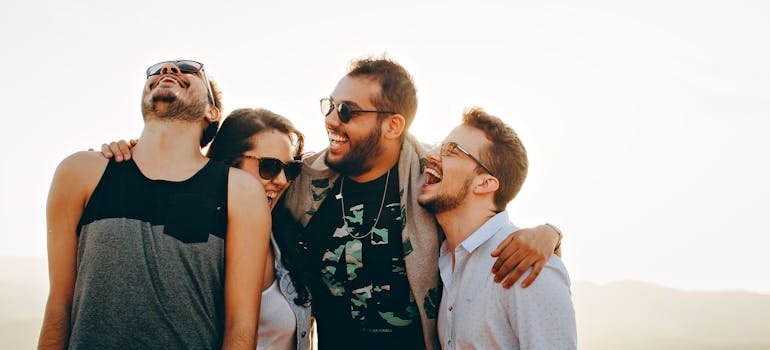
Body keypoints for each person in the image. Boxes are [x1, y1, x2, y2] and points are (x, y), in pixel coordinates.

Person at [278, 57, 563, 349]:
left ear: (393, 125)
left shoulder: (430, 178)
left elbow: (484, 216)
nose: (331, 119)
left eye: (346, 110)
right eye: (330, 105)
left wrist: (549, 234)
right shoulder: (300, 181)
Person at [38, 60, 270, 349]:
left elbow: (240, 327)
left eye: (188, 69)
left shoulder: (240, 191)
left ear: (213, 112)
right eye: (158, 70)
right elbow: (59, 305)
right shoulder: (80, 172)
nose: (169, 69)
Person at [419, 107, 577, 349]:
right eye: (440, 145)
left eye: (451, 151)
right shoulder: (445, 261)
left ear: (485, 183)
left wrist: (552, 232)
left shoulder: (527, 265)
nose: (432, 154)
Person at [205, 108, 312, 350]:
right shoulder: (199, 243)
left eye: (290, 169)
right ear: (229, 164)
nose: (283, 180)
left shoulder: (283, 237)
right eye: (269, 167)